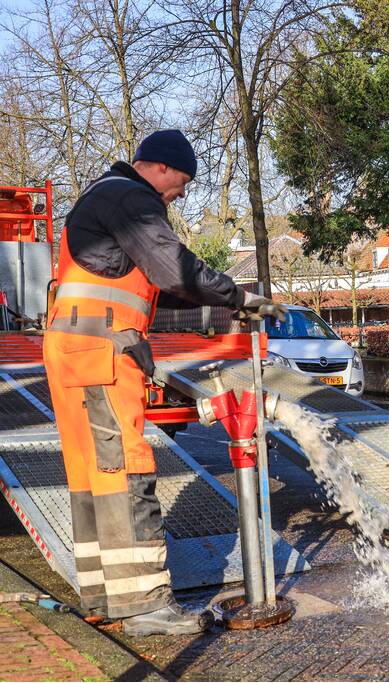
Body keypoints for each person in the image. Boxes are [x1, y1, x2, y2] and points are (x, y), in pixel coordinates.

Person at [42, 129, 283, 636]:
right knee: (126, 468)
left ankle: (110, 598)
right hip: (103, 350)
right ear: (164, 168)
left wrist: (219, 297)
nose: (180, 195)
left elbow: (158, 285)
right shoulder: (130, 197)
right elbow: (174, 268)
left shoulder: (101, 195)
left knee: (93, 476)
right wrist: (239, 297)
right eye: (183, 184)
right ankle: (147, 606)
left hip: (74, 347)